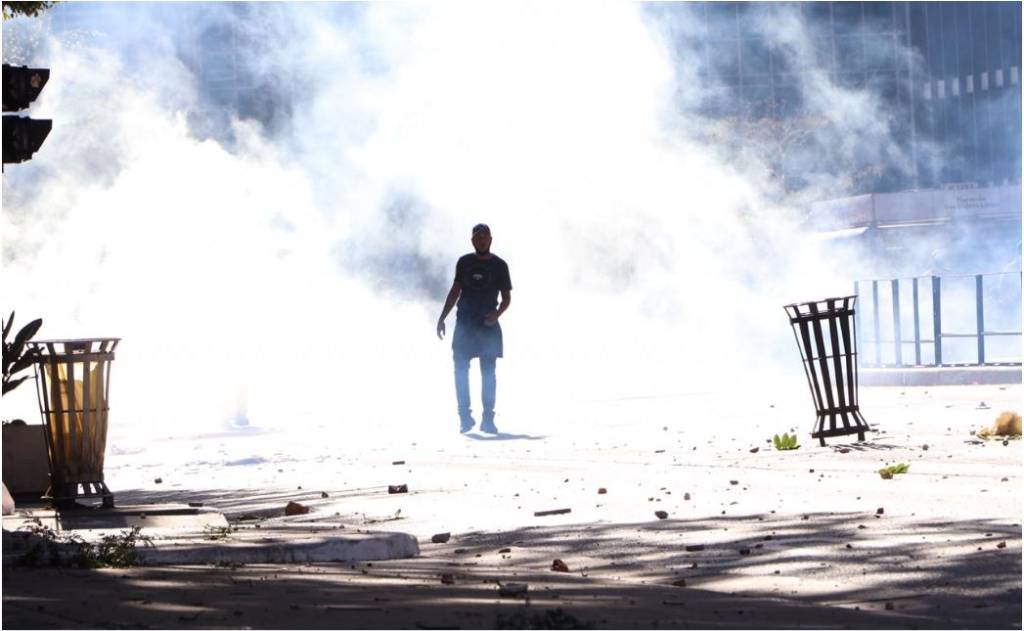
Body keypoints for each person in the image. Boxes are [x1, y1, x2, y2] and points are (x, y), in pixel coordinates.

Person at [436, 223, 512, 434]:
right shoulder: (464, 262)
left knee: (488, 373)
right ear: (472, 240)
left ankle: (488, 418)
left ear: (491, 239)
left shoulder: (500, 266)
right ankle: (464, 417)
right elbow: (455, 292)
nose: (482, 240)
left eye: (485, 237)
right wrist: (443, 317)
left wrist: (497, 315)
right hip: (465, 324)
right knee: (460, 369)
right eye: (478, 237)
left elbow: (507, 298)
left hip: (488, 324)